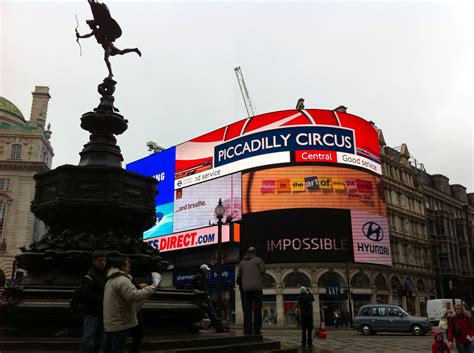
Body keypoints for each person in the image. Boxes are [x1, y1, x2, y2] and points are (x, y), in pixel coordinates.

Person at [103, 256, 161, 353]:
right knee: (117, 349)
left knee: (109, 348)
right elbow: (134, 296)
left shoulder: (111, 280)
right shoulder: (123, 280)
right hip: (120, 321)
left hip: (111, 321)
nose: (129, 266)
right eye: (127, 264)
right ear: (122, 266)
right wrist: (153, 287)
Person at [76, 0, 141, 79]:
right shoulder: (96, 31)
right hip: (109, 45)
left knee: (106, 59)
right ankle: (134, 49)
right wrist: (80, 36)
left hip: (108, 46)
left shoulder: (99, 30)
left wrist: (80, 37)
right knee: (121, 52)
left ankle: (110, 74)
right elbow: (88, 35)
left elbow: (88, 35)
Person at [81, 250, 108, 353]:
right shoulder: (90, 275)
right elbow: (86, 294)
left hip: (100, 311)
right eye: (100, 260)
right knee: (89, 336)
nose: (103, 263)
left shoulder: (103, 274)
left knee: (100, 337)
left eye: (104, 260)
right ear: (94, 261)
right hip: (91, 311)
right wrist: (103, 297)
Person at [238, 247, 266, 335]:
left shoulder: (242, 263)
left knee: (247, 310)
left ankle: (247, 329)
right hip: (257, 289)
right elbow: (263, 270)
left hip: (246, 290)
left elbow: (239, 276)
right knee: (257, 310)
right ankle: (257, 329)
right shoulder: (258, 260)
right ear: (254, 252)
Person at [191, 264, 225, 333]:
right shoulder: (200, 277)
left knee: (208, 313)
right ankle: (219, 328)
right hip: (204, 298)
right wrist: (206, 295)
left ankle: (218, 327)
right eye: (206, 270)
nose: (207, 272)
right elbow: (200, 288)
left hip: (202, 298)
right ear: (203, 270)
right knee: (212, 313)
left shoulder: (199, 276)